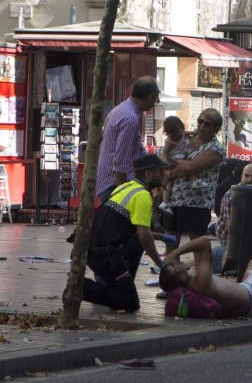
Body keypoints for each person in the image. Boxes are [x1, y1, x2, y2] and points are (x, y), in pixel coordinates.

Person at [83, 154, 172, 312]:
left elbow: (133, 230)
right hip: (106, 257)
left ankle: (118, 284)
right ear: (148, 174)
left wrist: (161, 237)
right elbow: (144, 237)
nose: (163, 174)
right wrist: (161, 264)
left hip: (94, 252)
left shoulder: (126, 186)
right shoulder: (142, 195)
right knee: (130, 304)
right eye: (160, 171)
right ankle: (83, 288)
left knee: (121, 295)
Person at [158, 236, 252, 318]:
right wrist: (174, 253)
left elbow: (198, 251)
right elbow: (204, 242)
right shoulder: (201, 280)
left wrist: (171, 262)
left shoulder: (192, 287)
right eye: (177, 265)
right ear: (182, 275)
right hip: (250, 295)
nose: (179, 262)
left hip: (246, 308)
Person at [164, 109, 226, 252]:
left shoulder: (215, 149)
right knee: (170, 247)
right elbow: (170, 156)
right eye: (200, 121)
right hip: (173, 200)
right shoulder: (186, 138)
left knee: (198, 249)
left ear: (216, 128)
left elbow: (190, 168)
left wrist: (170, 173)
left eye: (208, 124)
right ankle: (170, 273)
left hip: (197, 204)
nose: (202, 125)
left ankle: (200, 274)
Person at [96, 76, 160, 204]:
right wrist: (123, 195)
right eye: (156, 99)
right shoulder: (130, 119)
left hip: (108, 182)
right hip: (114, 186)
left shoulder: (120, 109)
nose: (155, 103)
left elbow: (137, 151)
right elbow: (121, 162)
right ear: (150, 97)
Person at [215, 163, 252, 273]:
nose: (249, 179)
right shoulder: (230, 195)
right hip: (230, 239)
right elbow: (232, 229)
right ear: (241, 177)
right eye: (246, 176)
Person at [158, 116, 189, 215]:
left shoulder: (184, 134)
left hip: (181, 159)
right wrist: (165, 163)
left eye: (175, 132)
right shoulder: (170, 140)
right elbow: (164, 153)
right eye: (170, 134)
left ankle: (196, 181)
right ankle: (165, 203)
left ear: (180, 127)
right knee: (169, 183)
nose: (174, 135)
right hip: (172, 162)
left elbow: (191, 133)